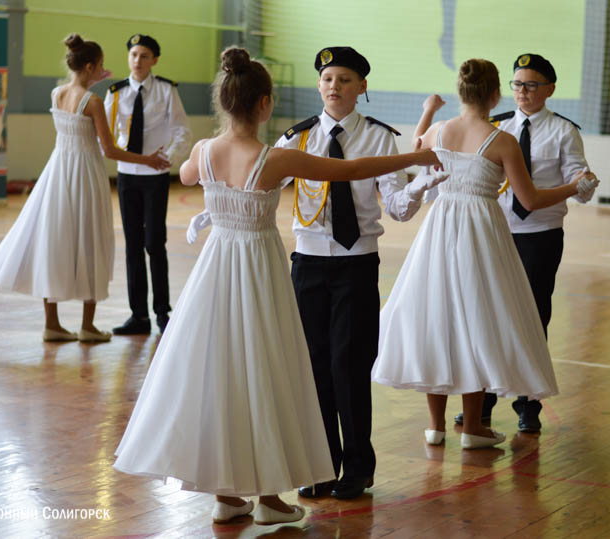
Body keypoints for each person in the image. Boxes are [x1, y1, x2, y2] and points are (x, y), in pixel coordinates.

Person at [113, 47, 441, 525]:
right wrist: (420, 155)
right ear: (265, 104)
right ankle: (266, 496)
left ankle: (228, 494)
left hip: (216, 274)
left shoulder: (205, 152)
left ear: (223, 102)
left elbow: (185, 174)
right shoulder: (278, 156)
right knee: (267, 372)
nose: (333, 85)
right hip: (260, 272)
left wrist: (214, 203)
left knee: (222, 374)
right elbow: (349, 171)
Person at [371, 58, 598, 449]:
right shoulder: (502, 140)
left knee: (437, 318)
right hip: (481, 233)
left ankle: (435, 426)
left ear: (461, 92)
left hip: (440, 229)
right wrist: (573, 188)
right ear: (495, 95)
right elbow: (530, 197)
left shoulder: (440, 132)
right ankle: (474, 426)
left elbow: (417, 143)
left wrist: (428, 111)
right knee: (479, 319)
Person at [276, 46, 446, 500]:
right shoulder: (297, 138)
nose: (335, 87)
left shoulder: (377, 138)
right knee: (313, 368)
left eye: (346, 79)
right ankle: (320, 464)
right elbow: (259, 180)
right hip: (308, 263)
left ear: (362, 87)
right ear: (319, 85)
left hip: (355, 263)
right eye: (328, 78)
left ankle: (358, 466)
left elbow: (395, 208)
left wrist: (420, 186)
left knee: (348, 365)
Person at [0, 34, 169, 342]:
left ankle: (51, 323)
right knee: (89, 239)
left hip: (57, 172)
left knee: (52, 241)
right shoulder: (92, 101)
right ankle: (88, 326)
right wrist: (147, 159)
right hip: (84, 174)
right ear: (91, 66)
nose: (105, 71)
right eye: (102, 66)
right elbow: (109, 150)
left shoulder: (57, 93)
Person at [450, 53, 599, 433]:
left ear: (549, 89)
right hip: (494, 232)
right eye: (517, 84)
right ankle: (478, 403)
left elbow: (578, 185)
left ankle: (527, 404)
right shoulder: (494, 128)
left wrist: (582, 180)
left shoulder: (564, 131)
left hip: (540, 237)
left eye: (532, 85)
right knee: (484, 315)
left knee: (533, 316)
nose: (523, 92)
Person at [105, 34, 190, 336]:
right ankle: (138, 316)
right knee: (132, 245)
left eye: (144, 56)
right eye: (133, 55)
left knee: (155, 242)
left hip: (155, 178)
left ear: (154, 60)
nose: (137, 61)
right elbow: (105, 134)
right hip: (127, 176)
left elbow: (182, 130)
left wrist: (167, 159)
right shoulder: (116, 93)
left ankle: (162, 312)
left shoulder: (166, 91)